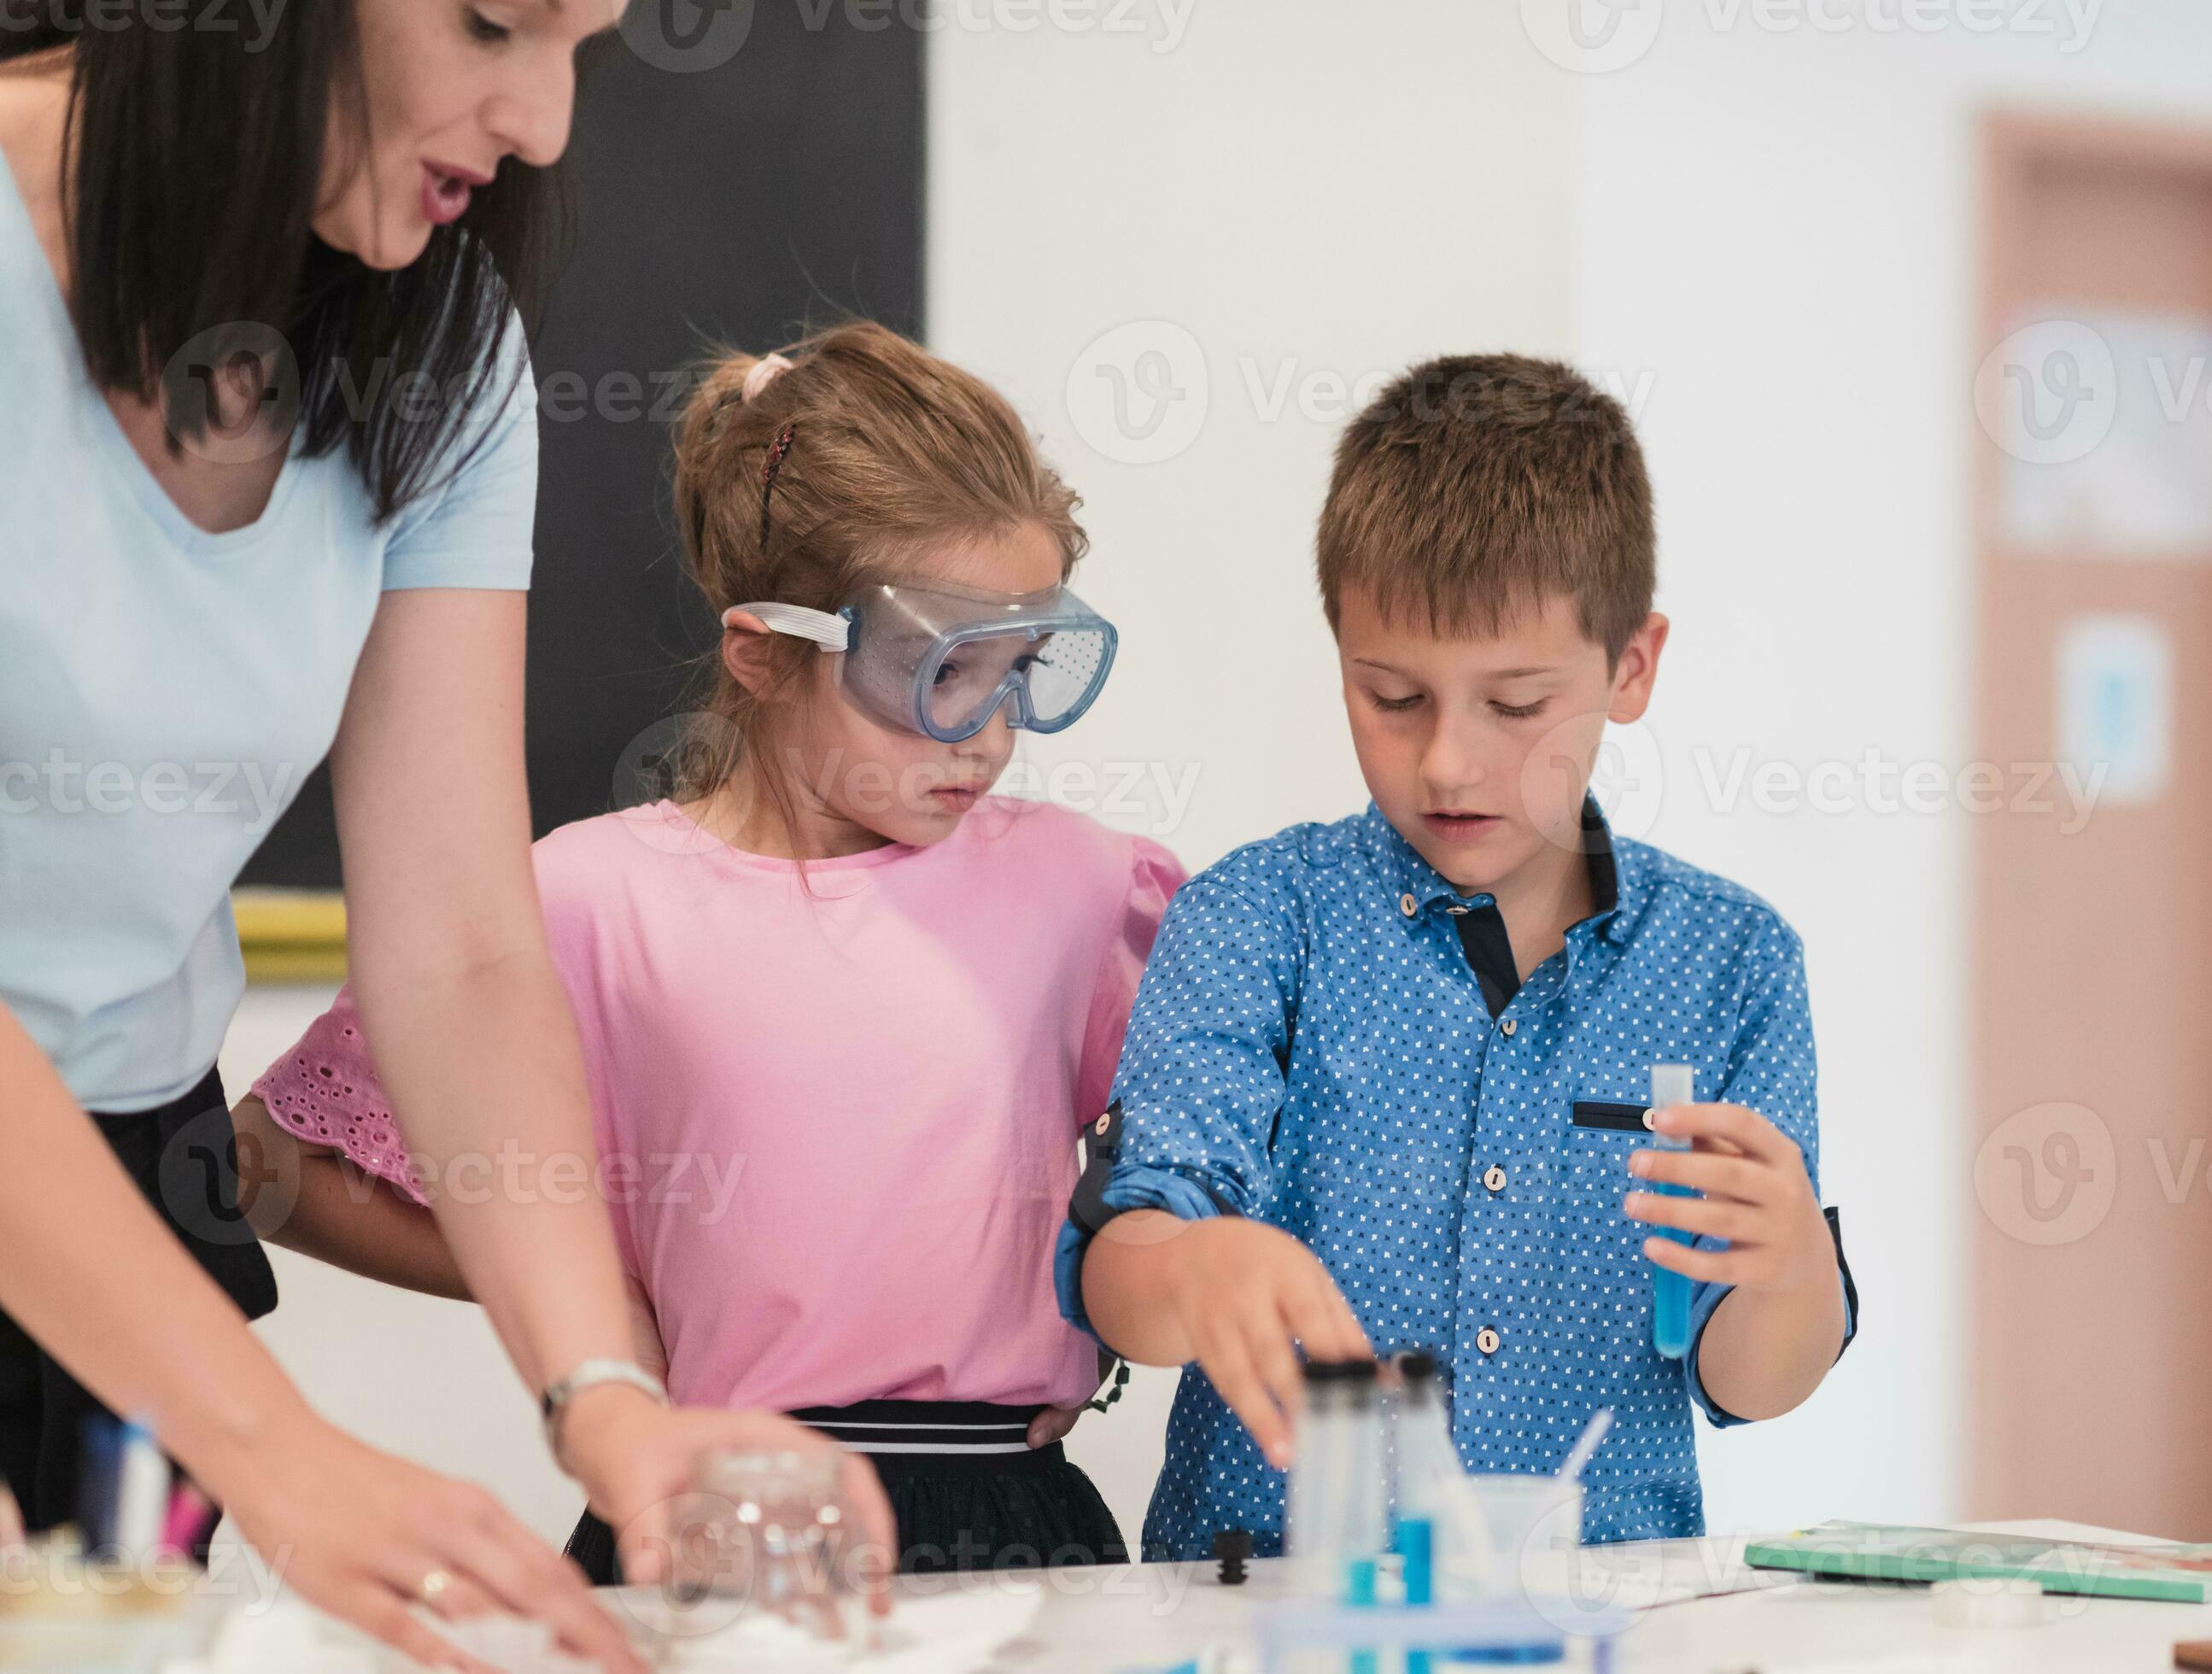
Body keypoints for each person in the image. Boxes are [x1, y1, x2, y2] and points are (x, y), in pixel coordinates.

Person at [0, 12, 886, 1666]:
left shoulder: (439, 343)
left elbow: (460, 940)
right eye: (491, 22)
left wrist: (608, 1396)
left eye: (584, 47)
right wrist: (276, 1447)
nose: (541, 122)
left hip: (131, 1198)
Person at [230, 322, 1182, 1579]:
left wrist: (1108, 1280)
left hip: (1014, 1522)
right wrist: (592, 1311)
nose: (987, 735)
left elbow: (1224, 1143)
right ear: (765, 650)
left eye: (1018, 672)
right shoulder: (583, 899)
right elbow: (271, 1164)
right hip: (700, 1517)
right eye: (940, 674)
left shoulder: (1079, 884)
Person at [1057, 354, 1859, 1560]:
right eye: (1392, 696)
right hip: (1272, 1623)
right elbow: (1125, 1271)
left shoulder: (1732, 964)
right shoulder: (1255, 921)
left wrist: (1795, 1269)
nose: (1446, 763)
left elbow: (1745, 1380)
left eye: (1516, 704)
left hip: (1601, 1621)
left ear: (1631, 666)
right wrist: (1188, 1273)